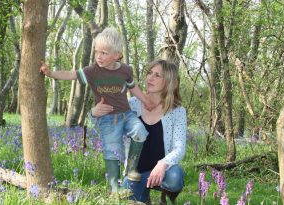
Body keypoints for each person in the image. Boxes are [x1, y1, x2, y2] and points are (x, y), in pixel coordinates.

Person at [40, 27, 155, 194]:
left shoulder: (125, 70)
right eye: (96, 52)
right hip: (107, 119)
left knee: (141, 131)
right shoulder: (92, 71)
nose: (98, 56)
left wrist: (146, 100)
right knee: (112, 151)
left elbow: (133, 88)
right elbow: (71, 74)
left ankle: (131, 169)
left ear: (117, 55)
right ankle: (114, 189)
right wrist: (50, 73)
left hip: (126, 114)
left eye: (104, 53)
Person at [91, 59, 187, 204]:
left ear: (168, 81)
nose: (150, 78)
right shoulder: (131, 105)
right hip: (136, 174)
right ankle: (143, 194)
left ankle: (167, 194)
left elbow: (179, 148)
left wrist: (163, 164)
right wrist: (94, 114)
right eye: (149, 73)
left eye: (157, 75)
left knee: (174, 177)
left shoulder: (177, 111)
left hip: (163, 173)